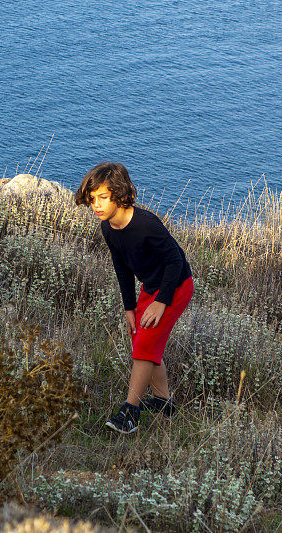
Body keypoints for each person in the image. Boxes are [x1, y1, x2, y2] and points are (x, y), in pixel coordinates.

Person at [74, 162, 194, 434]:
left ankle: (130, 412)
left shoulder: (146, 224)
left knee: (145, 345)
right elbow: (122, 268)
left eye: (103, 197)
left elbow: (176, 260)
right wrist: (129, 307)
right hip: (150, 289)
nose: (96, 205)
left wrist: (162, 301)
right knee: (142, 342)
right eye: (92, 199)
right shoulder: (108, 228)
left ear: (119, 193)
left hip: (175, 286)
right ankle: (164, 402)